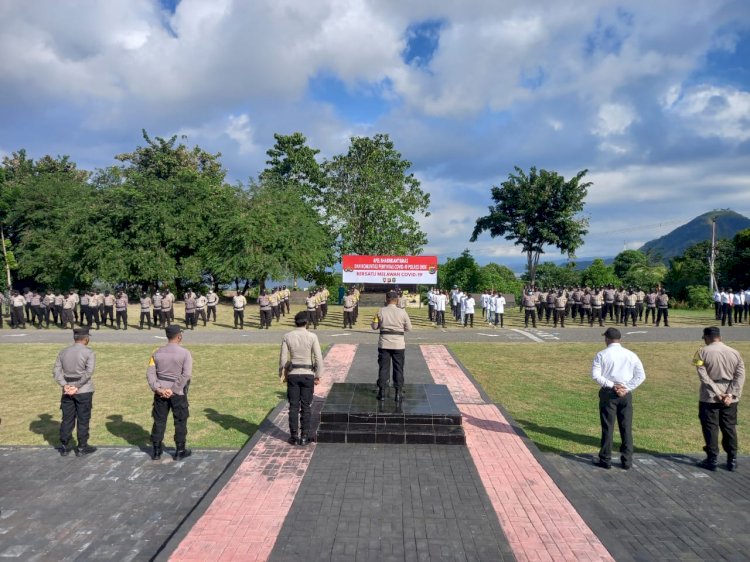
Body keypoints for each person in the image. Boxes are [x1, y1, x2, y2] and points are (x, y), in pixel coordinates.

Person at [591, 327, 646, 470]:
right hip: (625, 394)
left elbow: (596, 375)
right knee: (626, 427)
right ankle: (627, 460)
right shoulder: (631, 354)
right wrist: (626, 388)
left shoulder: (602, 354)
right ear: (619, 339)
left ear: (607, 339)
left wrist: (612, 385)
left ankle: (605, 459)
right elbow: (641, 376)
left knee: (608, 427)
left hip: (608, 393)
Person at [693, 327, 745, 471]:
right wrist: (731, 394)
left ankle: (712, 459)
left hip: (709, 397)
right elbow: (740, 376)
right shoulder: (735, 352)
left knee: (710, 428)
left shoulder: (701, 352)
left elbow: (703, 376)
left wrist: (717, 392)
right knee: (729, 428)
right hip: (730, 398)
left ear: (708, 337)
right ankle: (732, 460)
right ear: (719, 337)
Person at [146, 324, 193, 461]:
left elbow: (150, 374)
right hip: (178, 393)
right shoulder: (185, 353)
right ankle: (180, 451)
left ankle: (156, 451)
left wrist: (159, 389)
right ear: (179, 337)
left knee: (159, 421)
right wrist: (172, 390)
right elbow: (186, 375)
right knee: (180, 421)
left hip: (160, 393)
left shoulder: (157, 352)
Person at [279, 311, 324, 446]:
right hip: (307, 373)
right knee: (306, 406)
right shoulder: (312, 336)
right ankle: (304, 436)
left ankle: (293, 436)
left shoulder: (287, 336)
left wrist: (283, 373)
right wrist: (318, 375)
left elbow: (282, 359)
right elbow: (318, 358)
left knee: (293, 406)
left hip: (293, 373)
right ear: (307, 322)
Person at [53, 327, 97, 457]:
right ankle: (82, 446)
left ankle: (65, 446)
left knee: (67, 418)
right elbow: (88, 372)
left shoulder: (63, 352)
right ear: (86, 338)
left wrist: (65, 385)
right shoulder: (88, 352)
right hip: (83, 389)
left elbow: (56, 371)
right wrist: (76, 386)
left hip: (67, 390)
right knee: (83, 419)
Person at [371, 291, 412, 402]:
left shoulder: (381, 311)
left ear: (386, 299)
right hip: (398, 344)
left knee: (383, 368)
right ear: (397, 300)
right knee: (398, 368)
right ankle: (398, 393)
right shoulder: (402, 312)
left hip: (384, 343)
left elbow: (374, 326)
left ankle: (382, 392)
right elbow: (409, 328)